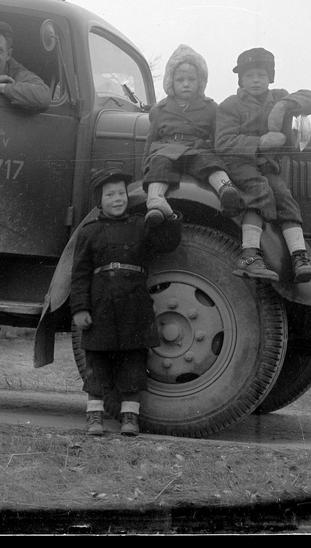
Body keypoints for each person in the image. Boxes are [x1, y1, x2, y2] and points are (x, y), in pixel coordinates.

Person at [69, 168, 183, 437]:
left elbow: (167, 242)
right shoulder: (90, 232)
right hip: (101, 305)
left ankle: (130, 417)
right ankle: (94, 417)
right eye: (110, 194)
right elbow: (80, 273)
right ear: (100, 200)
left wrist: (169, 215)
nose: (118, 199)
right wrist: (80, 308)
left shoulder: (140, 225)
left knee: (133, 362)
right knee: (97, 362)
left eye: (121, 193)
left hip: (135, 305)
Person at [215, 47, 311, 284]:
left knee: (283, 195)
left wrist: (285, 104)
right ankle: (249, 256)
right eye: (249, 75)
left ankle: (299, 256)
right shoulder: (230, 105)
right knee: (259, 190)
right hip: (239, 163)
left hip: (266, 166)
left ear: (270, 78)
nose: (255, 80)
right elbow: (222, 142)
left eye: (262, 75)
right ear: (240, 79)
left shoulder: (279, 97)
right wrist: (260, 142)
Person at [142, 44, 243, 225]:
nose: (186, 84)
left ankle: (226, 189)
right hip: (166, 149)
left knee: (209, 163)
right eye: (180, 80)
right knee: (159, 165)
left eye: (191, 79)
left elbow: (217, 137)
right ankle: (156, 201)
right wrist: (145, 166)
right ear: (171, 82)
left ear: (201, 82)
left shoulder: (211, 108)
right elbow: (151, 139)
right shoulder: (160, 109)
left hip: (196, 149)